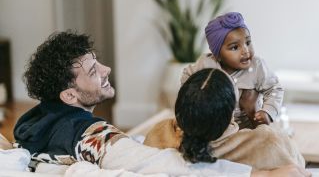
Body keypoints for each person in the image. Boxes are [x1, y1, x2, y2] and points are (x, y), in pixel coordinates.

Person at [13, 31, 309, 176]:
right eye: (93, 71)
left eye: (98, 62)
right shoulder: (96, 138)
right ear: (69, 95)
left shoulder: (32, 120)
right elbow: (167, 167)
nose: (106, 70)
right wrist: (263, 174)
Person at [145, 68, 304, 171]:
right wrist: (254, 115)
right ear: (229, 115)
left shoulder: (158, 135)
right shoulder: (267, 143)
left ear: (180, 107)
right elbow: (299, 167)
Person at [181, 12, 284, 129]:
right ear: (218, 55)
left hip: (249, 125)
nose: (246, 51)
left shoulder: (257, 66)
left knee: (269, 140)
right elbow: (187, 76)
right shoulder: (207, 64)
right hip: (217, 127)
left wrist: (267, 112)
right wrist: (196, 101)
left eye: (248, 42)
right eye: (235, 47)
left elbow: (275, 88)